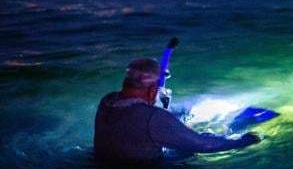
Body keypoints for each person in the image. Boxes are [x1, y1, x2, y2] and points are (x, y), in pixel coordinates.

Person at [94, 58, 259, 163]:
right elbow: (205, 146)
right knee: (198, 147)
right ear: (152, 90)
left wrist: (159, 104)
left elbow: (138, 120)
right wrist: (245, 141)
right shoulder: (154, 118)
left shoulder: (108, 101)